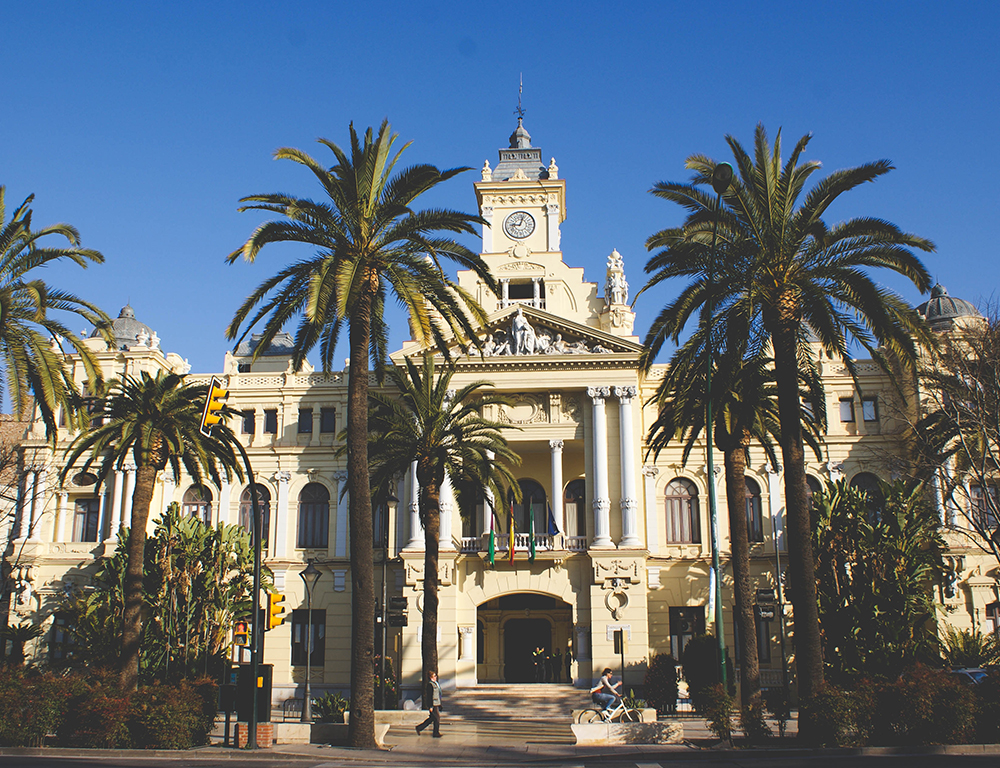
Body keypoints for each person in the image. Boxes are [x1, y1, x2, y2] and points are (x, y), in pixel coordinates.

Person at [415, 670, 442, 737]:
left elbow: (438, 694)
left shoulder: (436, 684)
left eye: (436, 675)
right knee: (436, 718)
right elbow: (429, 696)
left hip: (436, 703)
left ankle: (419, 727)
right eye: (434, 676)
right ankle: (436, 733)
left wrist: (440, 704)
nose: (436, 677)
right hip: (433, 704)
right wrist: (430, 706)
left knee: (432, 719)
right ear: (431, 677)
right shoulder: (430, 685)